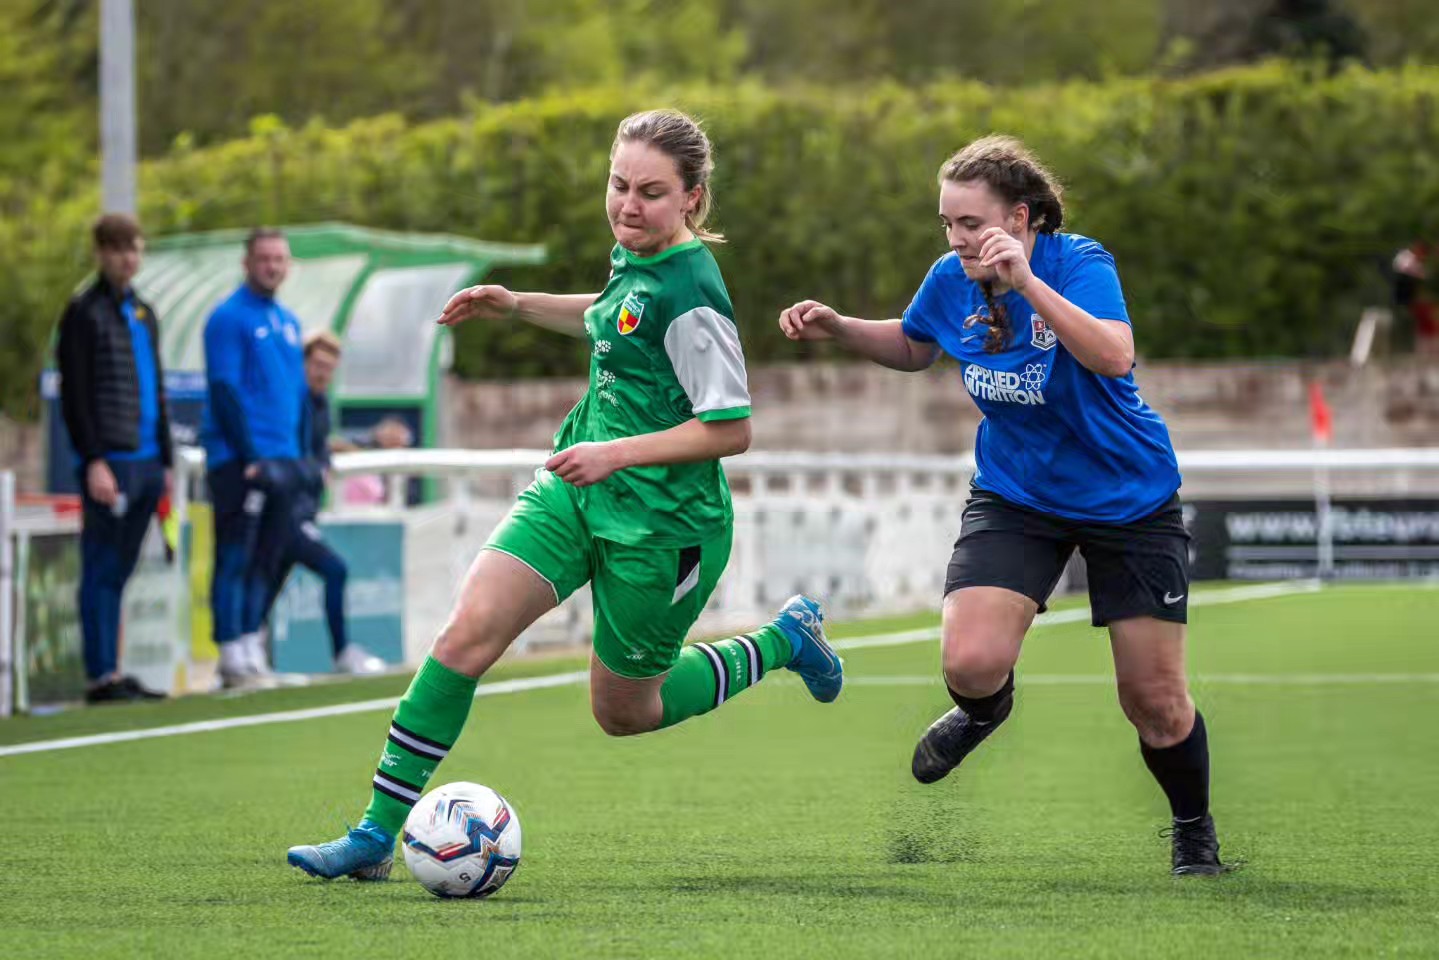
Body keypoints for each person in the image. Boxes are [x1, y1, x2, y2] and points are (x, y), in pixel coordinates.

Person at [288, 109, 844, 881]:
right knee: (465, 635)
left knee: (625, 711)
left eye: (651, 192)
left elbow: (730, 429)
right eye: (618, 185)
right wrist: (517, 303)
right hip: (576, 492)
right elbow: (612, 319)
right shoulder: (634, 258)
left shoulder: (695, 294)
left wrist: (616, 453)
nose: (627, 204)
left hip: (663, 528)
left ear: (692, 197)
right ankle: (375, 834)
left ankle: (783, 642)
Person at [778, 135, 1233, 876]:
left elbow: (1113, 355)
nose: (955, 239)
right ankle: (985, 712)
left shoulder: (1077, 263)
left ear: (1020, 218)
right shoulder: (948, 277)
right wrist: (838, 327)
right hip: (1016, 492)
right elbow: (912, 345)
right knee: (970, 658)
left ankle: (1191, 829)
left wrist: (1024, 283)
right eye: (945, 224)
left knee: (1153, 702)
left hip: (1127, 496)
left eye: (968, 223)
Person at [55, 213, 171, 704]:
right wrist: (94, 459)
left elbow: (157, 388)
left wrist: (165, 459)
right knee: (101, 566)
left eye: (135, 248)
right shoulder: (83, 312)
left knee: (121, 570)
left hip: (147, 461)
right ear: (101, 253)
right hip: (111, 461)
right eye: (118, 248)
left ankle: (114, 669)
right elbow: (75, 393)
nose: (128, 257)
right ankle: (99, 675)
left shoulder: (144, 311)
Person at [201, 227, 308, 690]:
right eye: (264, 259)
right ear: (247, 263)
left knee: (268, 556)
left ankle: (251, 646)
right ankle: (229, 654)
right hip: (243, 460)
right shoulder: (228, 318)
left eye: (280, 259)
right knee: (235, 554)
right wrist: (248, 455)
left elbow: (299, 395)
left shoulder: (288, 320)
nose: (273, 266)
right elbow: (224, 388)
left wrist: (301, 457)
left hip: (284, 459)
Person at [259, 331, 386, 675]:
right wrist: (313, 470)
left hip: (302, 510)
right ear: (303, 363)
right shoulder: (293, 402)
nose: (321, 373)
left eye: (329, 368)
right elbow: (294, 453)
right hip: (287, 510)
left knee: (272, 581)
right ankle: (341, 652)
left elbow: (319, 451)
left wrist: (326, 461)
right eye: (316, 365)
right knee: (334, 569)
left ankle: (248, 651)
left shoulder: (320, 403)